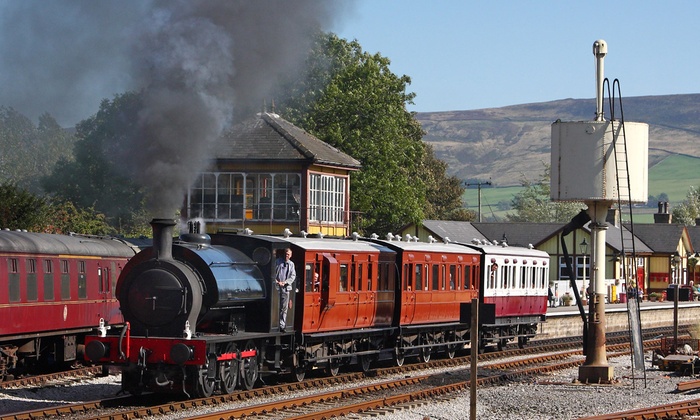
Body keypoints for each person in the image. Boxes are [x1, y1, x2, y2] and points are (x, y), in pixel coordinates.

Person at [275, 248, 296, 332]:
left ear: (290, 256)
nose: (286, 255)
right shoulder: (277, 262)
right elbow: (273, 272)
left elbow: (293, 276)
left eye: (288, 254)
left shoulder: (291, 264)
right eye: (285, 254)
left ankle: (282, 324)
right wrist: (276, 281)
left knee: (284, 308)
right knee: (276, 306)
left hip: (285, 288)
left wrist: (285, 282)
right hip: (276, 286)